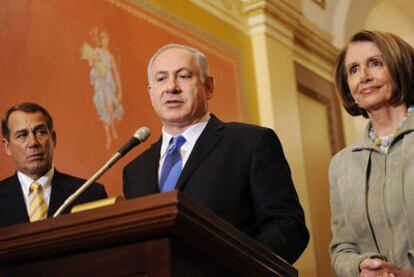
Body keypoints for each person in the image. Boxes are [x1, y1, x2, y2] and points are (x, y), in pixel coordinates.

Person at [123, 44, 309, 263]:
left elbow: (287, 226)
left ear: (209, 87)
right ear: (151, 92)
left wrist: (237, 267)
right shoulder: (134, 170)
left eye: (183, 76)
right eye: (161, 79)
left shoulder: (250, 143)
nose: (171, 87)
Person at [329, 30, 414, 276]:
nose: (364, 76)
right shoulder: (341, 164)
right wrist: (361, 267)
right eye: (353, 70)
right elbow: (341, 248)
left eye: (375, 64)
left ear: (401, 67)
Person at [0, 102, 108, 228]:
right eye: (22, 135)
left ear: (53, 138)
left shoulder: (90, 194)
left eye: (40, 132)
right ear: (7, 147)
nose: (33, 142)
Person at [81, 27, 124, 149]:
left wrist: (120, 90)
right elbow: (90, 64)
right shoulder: (97, 51)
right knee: (102, 108)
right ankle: (109, 136)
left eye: (107, 40)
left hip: (109, 84)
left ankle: (114, 129)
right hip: (100, 83)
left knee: (110, 105)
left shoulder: (110, 56)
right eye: (104, 40)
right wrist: (95, 59)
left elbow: (116, 74)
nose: (106, 42)